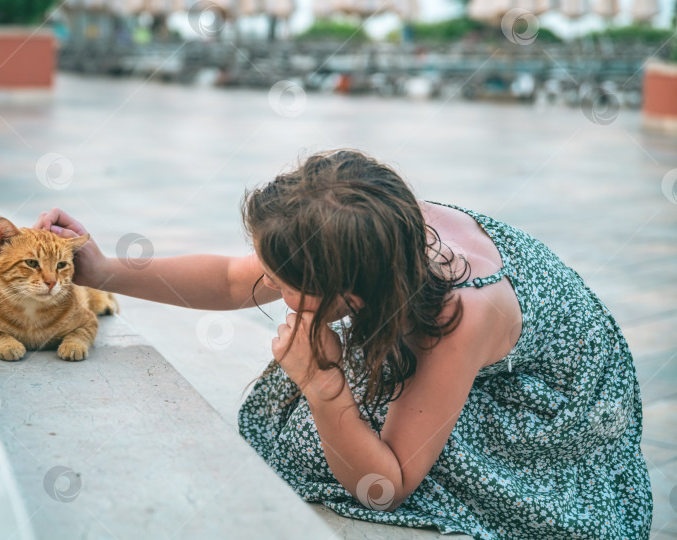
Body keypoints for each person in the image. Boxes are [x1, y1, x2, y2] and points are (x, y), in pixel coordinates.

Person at [33, 149, 652, 539]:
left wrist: (324, 388)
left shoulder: (457, 318)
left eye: (283, 284)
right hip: (448, 331)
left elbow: (389, 486)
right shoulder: (373, 232)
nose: (267, 288)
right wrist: (100, 269)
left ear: (349, 297)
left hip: (554, 409)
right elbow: (229, 277)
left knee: (322, 440)